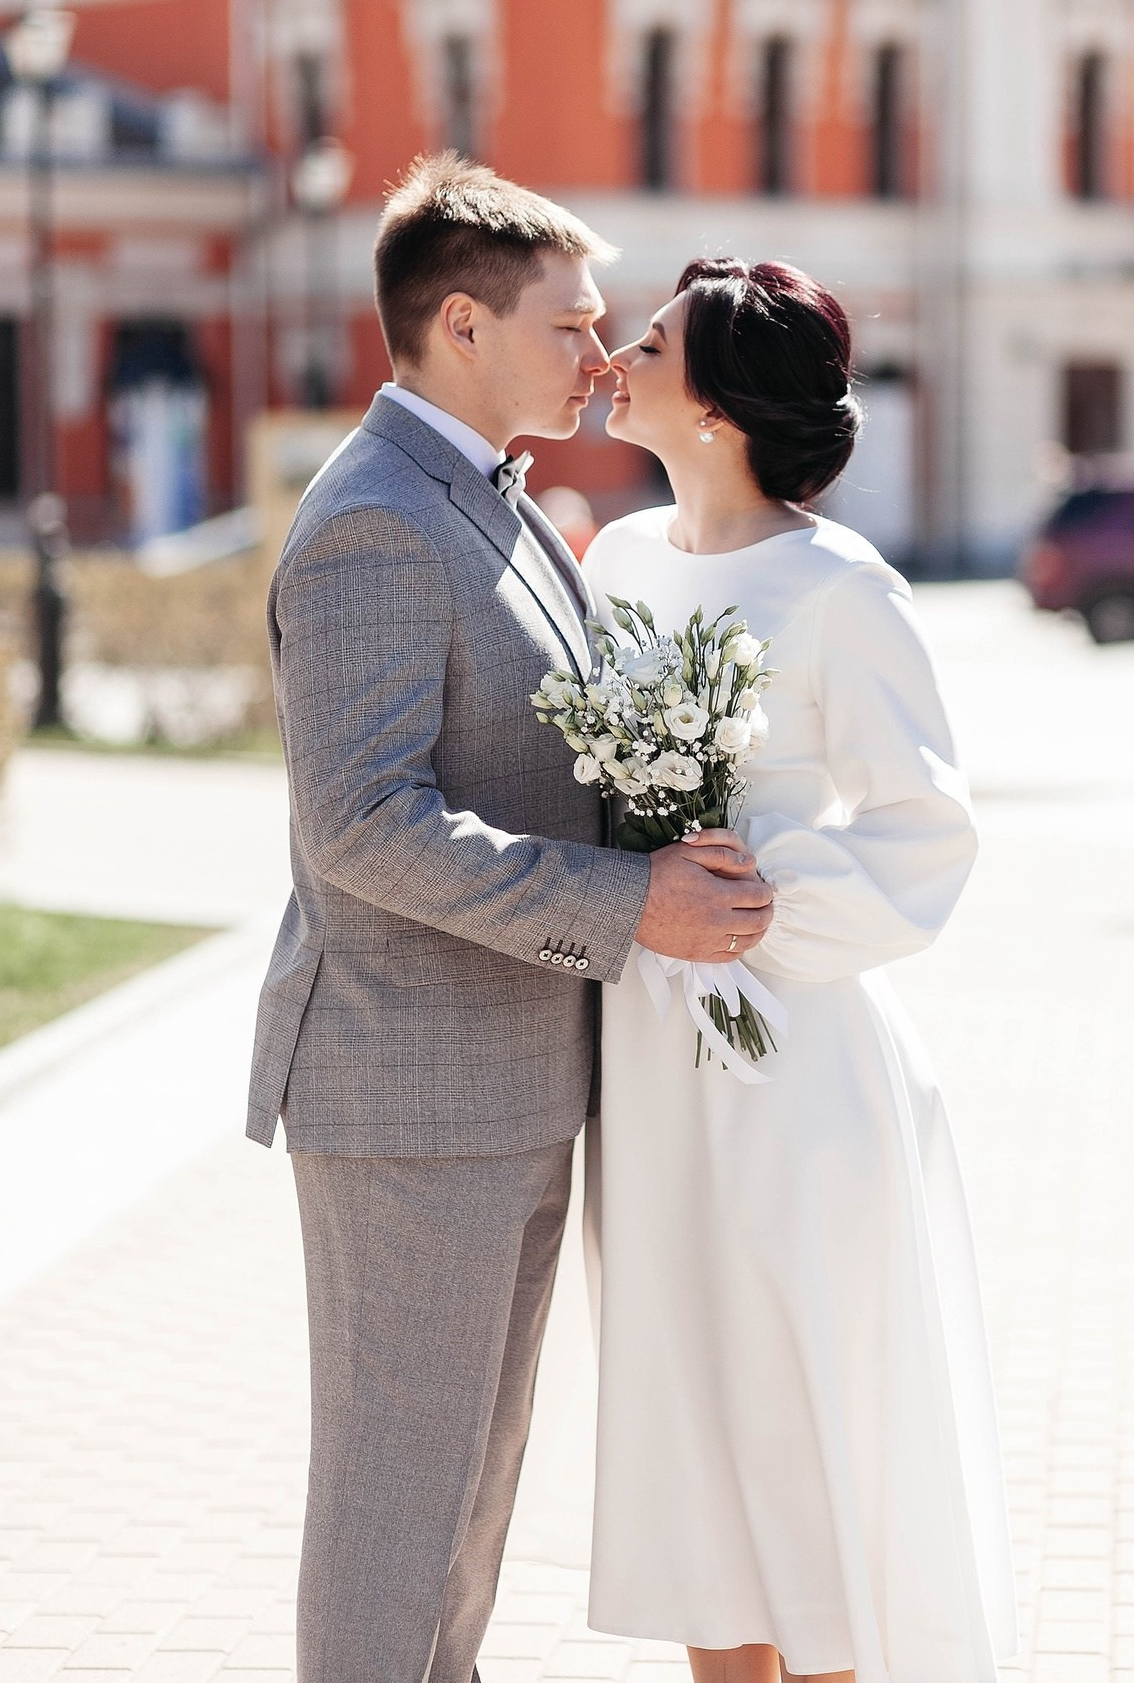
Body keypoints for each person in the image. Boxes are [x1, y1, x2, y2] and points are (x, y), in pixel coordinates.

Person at [245, 157, 773, 1683]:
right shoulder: (374, 523)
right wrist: (636, 904)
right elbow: (363, 827)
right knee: (396, 1509)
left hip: (514, 1078)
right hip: (411, 1092)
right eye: (573, 323)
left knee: (464, 1518)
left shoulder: (492, 499)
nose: (602, 355)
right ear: (461, 325)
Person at [582, 258, 1017, 1683]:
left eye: (647, 341)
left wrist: (762, 907)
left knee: (798, 1413)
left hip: (798, 1068)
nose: (614, 352)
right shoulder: (617, 561)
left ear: (712, 406)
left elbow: (927, 832)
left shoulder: (845, 589)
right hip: (646, 1059)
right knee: (688, 1410)